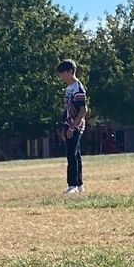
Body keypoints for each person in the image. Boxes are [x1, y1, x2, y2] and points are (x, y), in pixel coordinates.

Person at [57, 58, 87, 194]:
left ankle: (72, 185)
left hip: (75, 126)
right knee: (76, 154)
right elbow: (67, 109)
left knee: (71, 154)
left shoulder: (77, 88)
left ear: (70, 71)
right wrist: (63, 126)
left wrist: (72, 127)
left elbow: (83, 110)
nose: (61, 76)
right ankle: (79, 184)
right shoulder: (69, 88)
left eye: (63, 73)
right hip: (68, 124)